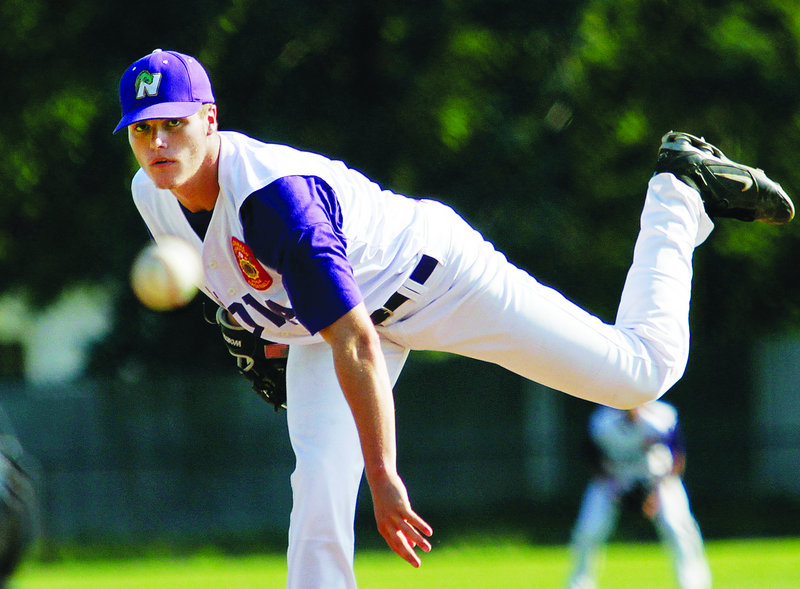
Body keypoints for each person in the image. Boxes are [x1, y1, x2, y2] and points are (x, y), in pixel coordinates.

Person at [113, 49, 792, 589]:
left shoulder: (276, 200)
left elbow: (353, 340)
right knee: (317, 489)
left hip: (433, 278)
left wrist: (383, 473)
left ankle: (678, 190)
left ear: (210, 117)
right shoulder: (153, 191)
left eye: (173, 121)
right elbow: (248, 283)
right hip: (338, 322)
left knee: (642, 375)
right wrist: (264, 333)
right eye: (144, 128)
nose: (159, 140)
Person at [565, 401, 712, 589]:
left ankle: (694, 584)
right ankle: (579, 585)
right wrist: (617, 490)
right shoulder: (602, 421)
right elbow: (592, 459)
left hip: (660, 479)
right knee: (589, 530)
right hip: (614, 479)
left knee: (678, 528)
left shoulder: (662, 417)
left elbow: (678, 458)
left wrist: (655, 494)